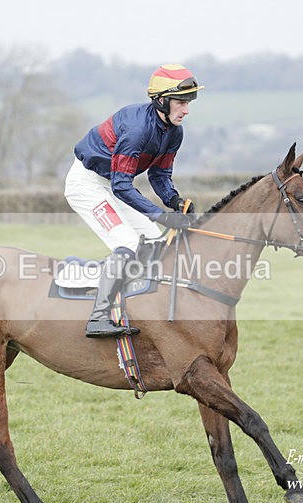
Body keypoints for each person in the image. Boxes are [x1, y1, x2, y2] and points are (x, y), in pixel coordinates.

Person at [64, 63, 203, 338]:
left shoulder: (175, 132)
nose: (186, 109)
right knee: (128, 243)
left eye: (188, 102)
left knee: (153, 240)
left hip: (113, 183)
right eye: (180, 102)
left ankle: (136, 306)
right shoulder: (137, 129)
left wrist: (174, 201)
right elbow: (122, 185)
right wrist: (160, 215)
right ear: (161, 100)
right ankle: (98, 317)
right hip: (87, 184)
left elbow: (159, 175)